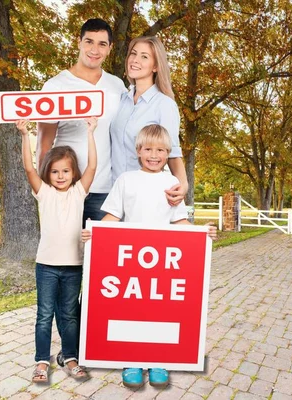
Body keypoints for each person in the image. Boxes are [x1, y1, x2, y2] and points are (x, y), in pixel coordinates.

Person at [82, 124, 217, 388]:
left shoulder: (171, 183)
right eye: (148, 149)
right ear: (138, 151)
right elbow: (112, 216)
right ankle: (131, 360)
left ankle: (158, 359)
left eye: (160, 150)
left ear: (168, 153)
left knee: (160, 311)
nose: (154, 155)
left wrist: (201, 234)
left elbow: (178, 221)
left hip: (163, 262)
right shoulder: (126, 180)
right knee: (132, 309)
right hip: (132, 261)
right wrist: (95, 232)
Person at [36, 18, 126, 369]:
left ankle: (91, 341)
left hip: (105, 189)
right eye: (89, 42)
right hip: (67, 192)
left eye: (102, 44)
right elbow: (45, 140)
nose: (94, 50)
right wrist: (47, 190)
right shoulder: (56, 84)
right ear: (79, 42)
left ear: (109, 48)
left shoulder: (117, 86)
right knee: (67, 271)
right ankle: (70, 349)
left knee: (103, 272)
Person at [16, 118, 97, 383]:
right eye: (55, 172)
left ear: (74, 173)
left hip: (73, 267)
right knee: (44, 315)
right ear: (47, 173)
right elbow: (29, 168)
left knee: (69, 315)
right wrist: (24, 133)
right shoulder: (44, 193)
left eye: (66, 171)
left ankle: (71, 358)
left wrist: (90, 131)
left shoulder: (78, 193)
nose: (60, 176)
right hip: (46, 266)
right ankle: (41, 362)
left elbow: (93, 165)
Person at [110, 36, 188, 207]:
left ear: (155, 66)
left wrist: (183, 185)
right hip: (114, 194)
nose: (135, 60)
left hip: (146, 194)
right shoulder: (121, 100)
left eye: (144, 56)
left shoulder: (164, 105)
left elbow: (172, 151)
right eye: (133, 54)